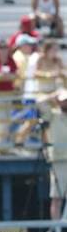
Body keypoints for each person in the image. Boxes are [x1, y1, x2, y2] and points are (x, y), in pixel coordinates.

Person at [37, 89, 67, 220]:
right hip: (58, 160)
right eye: (63, 100)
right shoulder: (52, 115)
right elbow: (39, 103)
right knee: (57, 198)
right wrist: (53, 95)